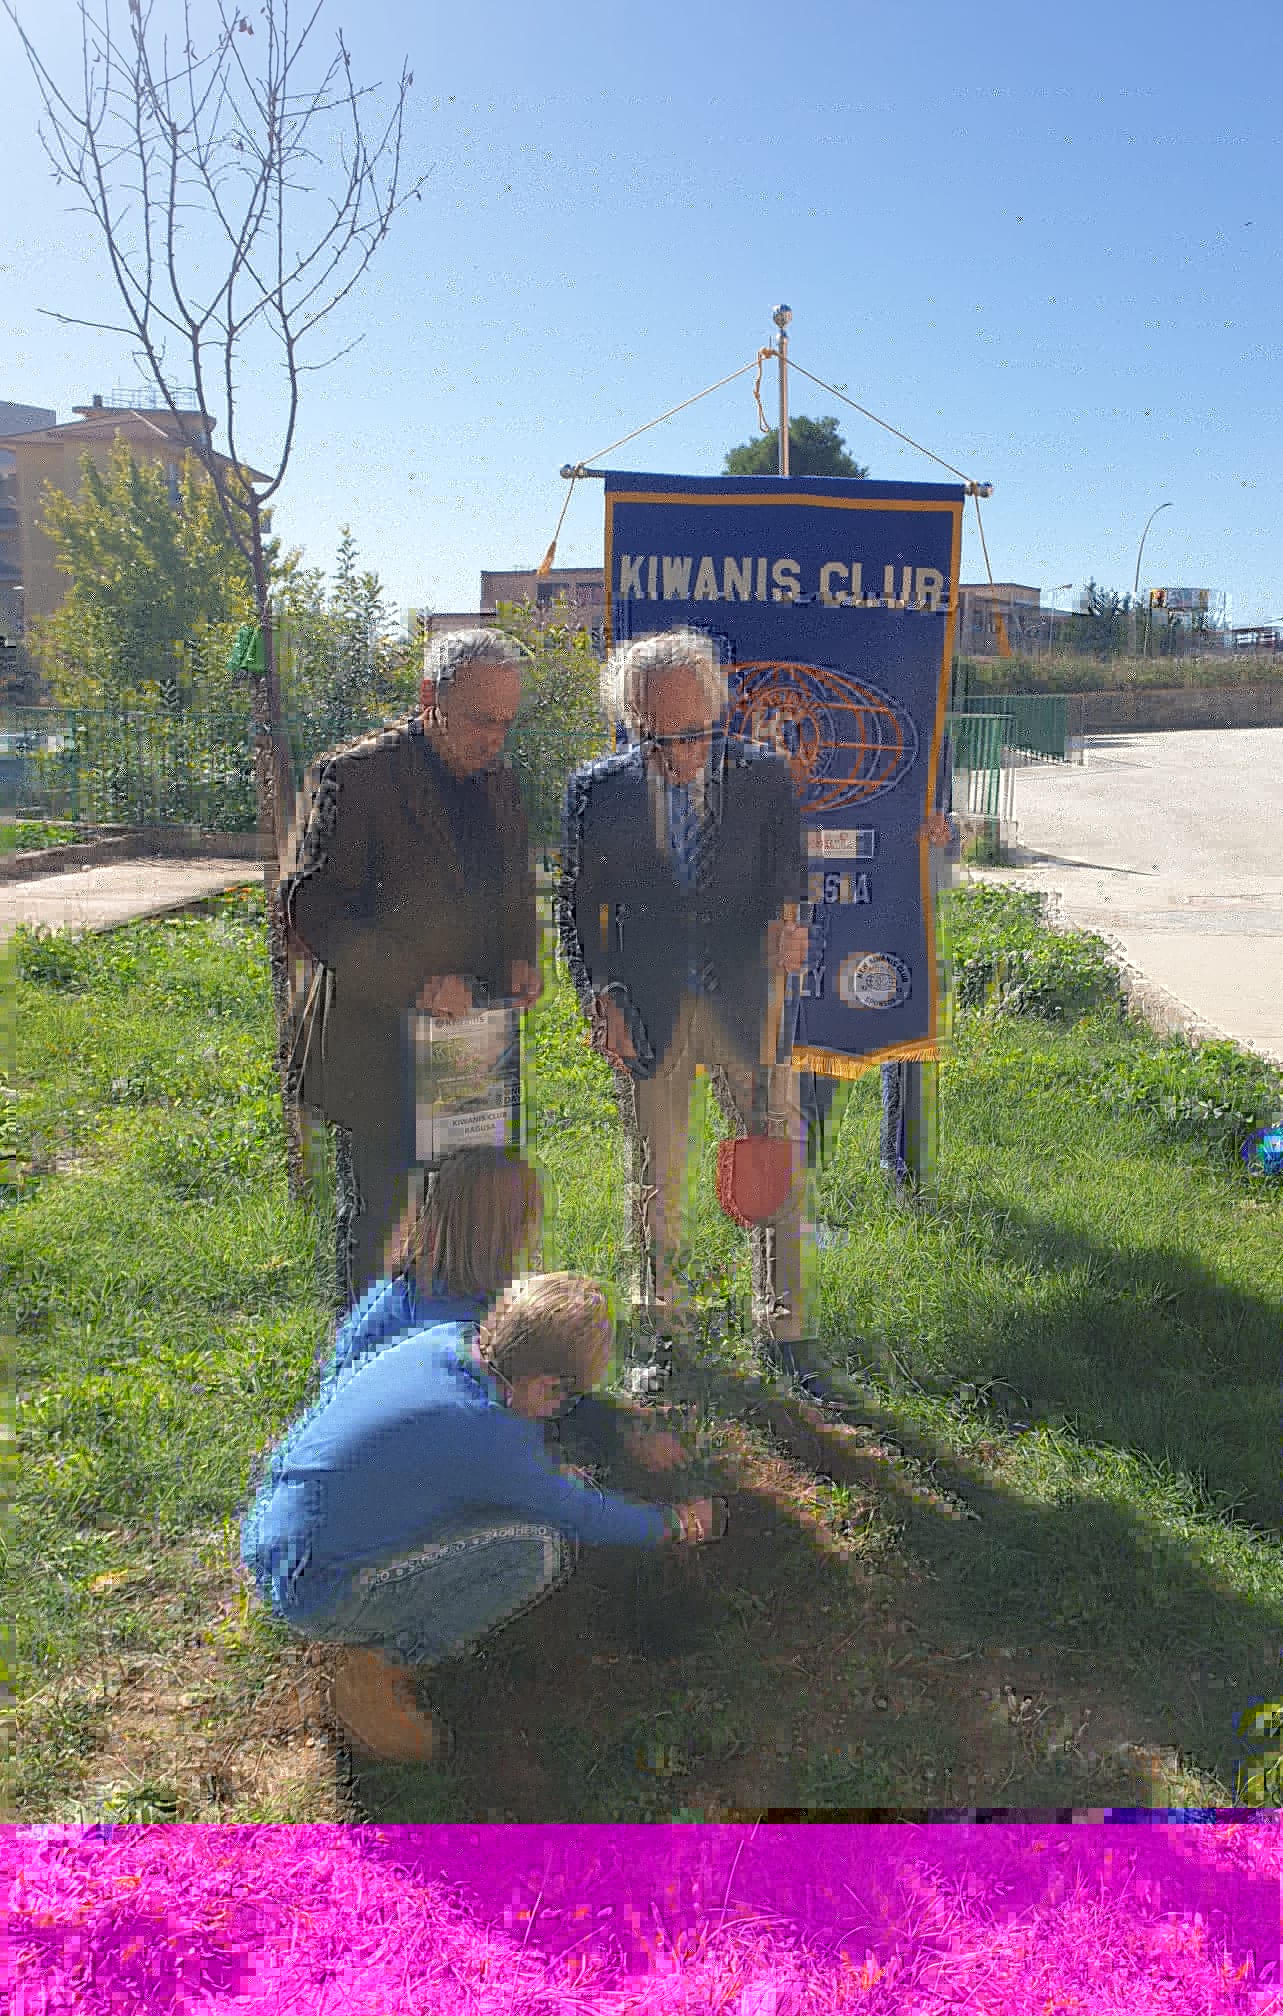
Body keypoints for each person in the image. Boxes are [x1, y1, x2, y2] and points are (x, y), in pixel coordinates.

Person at [240, 1263, 725, 1763]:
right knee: (535, 1551)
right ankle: (380, 1668)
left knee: (503, 1512)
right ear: (543, 1387)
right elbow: (578, 1515)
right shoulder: (491, 1433)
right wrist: (675, 1523)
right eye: (564, 1397)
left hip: (272, 1533)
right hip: (318, 1591)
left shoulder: (444, 1343)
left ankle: (360, 1628)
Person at [558, 626, 823, 1393]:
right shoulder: (595, 790)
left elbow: (787, 877)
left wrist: (789, 924)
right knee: (654, 1177)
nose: (676, 755)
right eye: (653, 738)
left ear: (720, 714)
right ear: (628, 724)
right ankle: (658, 1332)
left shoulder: (764, 778)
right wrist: (596, 995)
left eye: (692, 734)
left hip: (747, 1004)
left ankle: (784, 1331)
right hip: (647, 1007)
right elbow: (577, 909)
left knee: (771, 1162)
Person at [280, 628, 542, 1311]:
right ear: (430, 698)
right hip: (377, 1040)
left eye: (506, 724)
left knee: (469, 1210)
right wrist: (416, 985)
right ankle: (361, 1363)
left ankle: (456, 1348)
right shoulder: (356, 778)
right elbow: (314, 910)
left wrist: (522, 957)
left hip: (471, 1046)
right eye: (481, 720)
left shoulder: (500, 783)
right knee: (375, 1218)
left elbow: (514, 886)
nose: (495, 740)